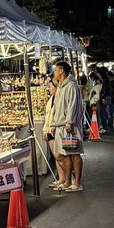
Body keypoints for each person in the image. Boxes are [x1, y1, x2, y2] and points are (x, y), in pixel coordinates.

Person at [47, 60, 86, 192]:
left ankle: (77, 183)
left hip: (69, 126)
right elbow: (57, 108)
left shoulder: (71, 86)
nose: (54, 72)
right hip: (60, 125)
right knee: (65, 154)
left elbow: (72, 105)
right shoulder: (61, 86)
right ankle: (68, 180)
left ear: (62, 71)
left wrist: (69, 122)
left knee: (74, 153)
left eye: (56, 70)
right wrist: (53, 124)